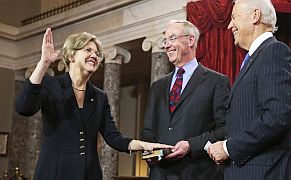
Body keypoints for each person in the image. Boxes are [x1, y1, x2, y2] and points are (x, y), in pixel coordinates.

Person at [15, 28, 173, 180]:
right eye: (88, 50)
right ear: (71, 55)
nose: (94, 56)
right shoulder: (51, 85)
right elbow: (24, 107)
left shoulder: (99, 96)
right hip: (55, 171)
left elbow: (113, 137)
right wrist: (44, 63)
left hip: (88, 173)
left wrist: (144, 145)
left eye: (97, 54)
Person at [207, 0, 291, 179]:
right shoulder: (256, 57)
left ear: (255, 16)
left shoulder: (275, 52)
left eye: (234, 17)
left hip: (265, 172)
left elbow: (277, 117)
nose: (229, 25)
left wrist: (228, 148)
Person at [140, 20, 230, 180]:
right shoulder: (158, 86)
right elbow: (148, 129)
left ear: (190, 40)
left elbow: (225, 129)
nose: (167, 45)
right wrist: (152, 150)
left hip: (198, 173)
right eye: (165, 40)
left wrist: (191, 145)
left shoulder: (216, 82)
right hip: (160, 174)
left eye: (172, 38)